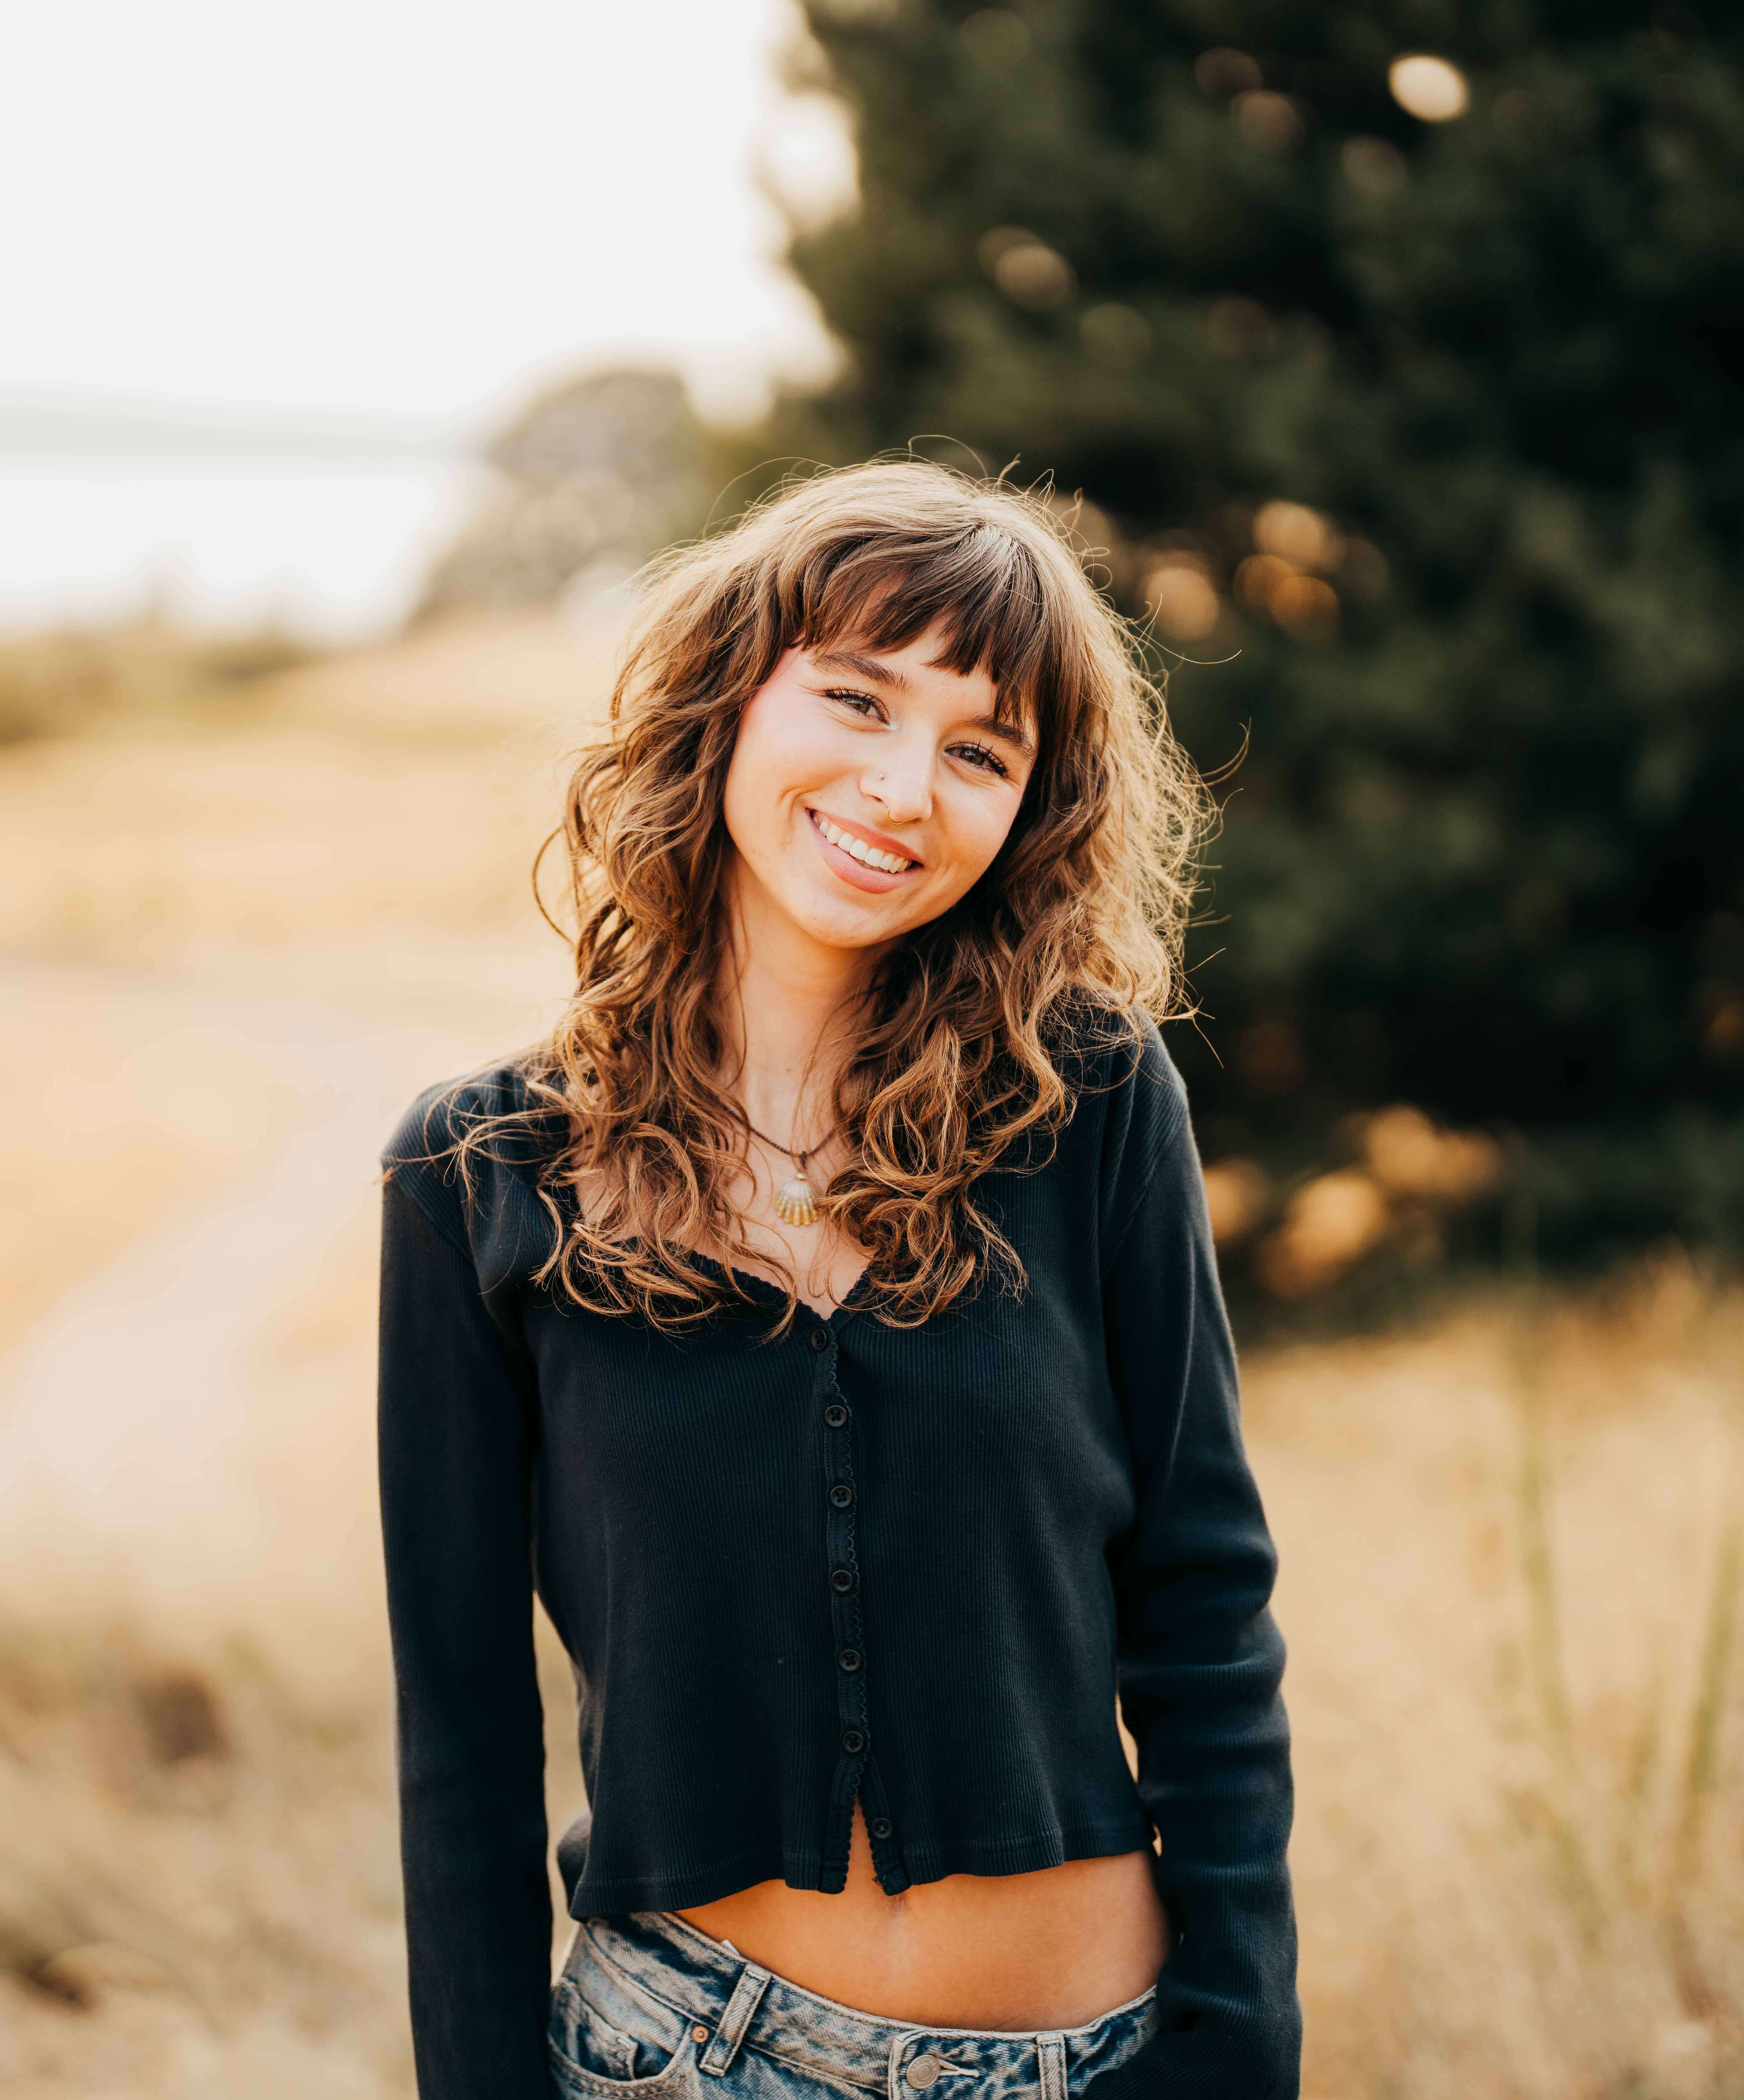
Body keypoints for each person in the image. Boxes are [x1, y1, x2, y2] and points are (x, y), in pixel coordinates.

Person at [377, 460, 1297, 2100]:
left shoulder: (1087, 1104)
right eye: (858, 700)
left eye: (978, 750)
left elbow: (1206, 1606)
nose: (900, 787)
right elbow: (460, 1739)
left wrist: (1234, 2046)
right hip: (682, 2056)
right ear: (733, 699)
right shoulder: (481, 1176)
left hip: (1092, 2055)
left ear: (1032, 808)